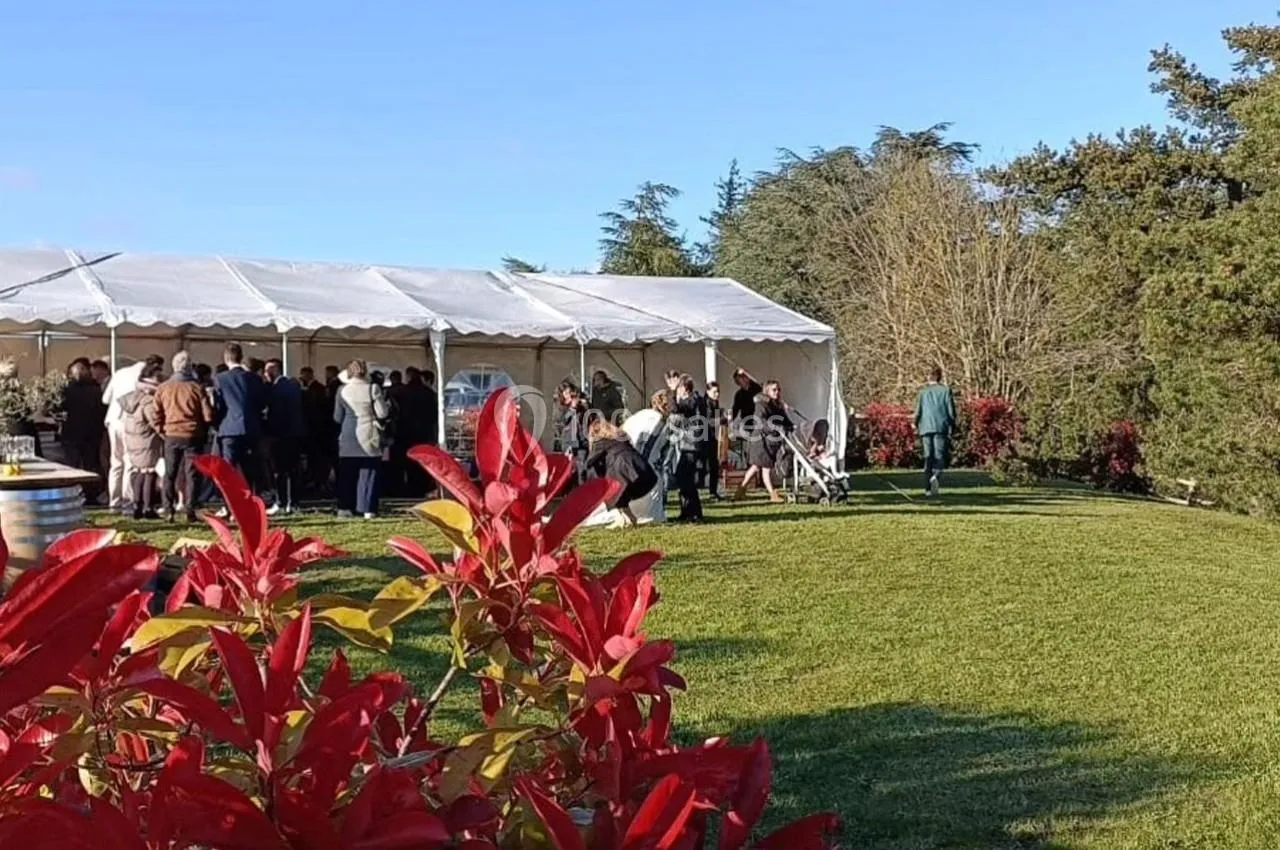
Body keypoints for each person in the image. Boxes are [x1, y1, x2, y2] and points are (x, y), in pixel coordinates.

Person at [153, 351, 215, 523]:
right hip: (193, 435)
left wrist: (161, 430)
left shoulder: (163, 388)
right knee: (192, 474)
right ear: (189, 369)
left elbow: (156, 413)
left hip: (171, 434)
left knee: (170, 473)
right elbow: (208, 415)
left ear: (174, 367)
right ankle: (190, 509)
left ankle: (168, 509)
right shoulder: (196, 387)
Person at [102, 354, 164, 514]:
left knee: (115, 463)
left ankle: (114, 501)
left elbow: (105, 399)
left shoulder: (120, 372)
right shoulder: (146, 379)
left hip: (113, 419)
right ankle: (129, 500)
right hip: (134, 421)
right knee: (132, 463)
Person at [334, 359, 390, 519]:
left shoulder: (341, 390)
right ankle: (367, 509)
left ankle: (345, 507)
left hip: (348, 435)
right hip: (369, 434)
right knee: (369, 473)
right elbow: (382, 413)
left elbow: (337, 417)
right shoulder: (373, 389)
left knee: (347, 473)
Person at [212, 343, 267, 502]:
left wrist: (217, 424)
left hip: (229, 428)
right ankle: (252, 499)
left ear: (226, 358)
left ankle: (230, 503)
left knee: (229, 468)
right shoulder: (254, 378)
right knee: (252, 467)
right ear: (241, 357)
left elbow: (218, 406)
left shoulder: (221, 379)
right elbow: (261, 403)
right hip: (251, 427)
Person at [585, 419, 658, 529]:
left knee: (612, 493)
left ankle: (626, 518)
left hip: (621, 468)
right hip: (640, 468)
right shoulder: (621, 437)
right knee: (620, 495)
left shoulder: (600, 441)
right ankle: (626, 518)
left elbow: (591, 461)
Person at [119, 361, 164, 520]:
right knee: (149, 473)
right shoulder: (147, 401)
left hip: (134, 439)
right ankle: (148, 507)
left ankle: (136, 505)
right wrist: (165, 433)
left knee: (139, 471)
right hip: (147, 440)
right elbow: (155, 421)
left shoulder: (132, 398)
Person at [736, 380, 793, 503]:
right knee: (765, 468)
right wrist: (775, 427)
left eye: (778, 390)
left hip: (770, 441)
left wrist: (791, 427)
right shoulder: (761, 404)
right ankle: (772, 494)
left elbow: (785, 420)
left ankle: (741, 490)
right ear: (767, 391)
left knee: (756, 467)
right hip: (761, 440)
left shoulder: (777, 405)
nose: (777, 392)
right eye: (774, 390)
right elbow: (761, 421)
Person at [60, 360, 107, 503]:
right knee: (90, 466)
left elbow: (58, 409)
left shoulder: (66, 391)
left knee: (72, 466)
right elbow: (102, 411)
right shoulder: (96, 390)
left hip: (72, 434)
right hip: (91, 434)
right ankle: (91, 495)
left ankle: (71, 495)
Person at [264, 358, 306, 514]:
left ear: (275, 370)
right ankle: (293, 502)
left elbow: (276, 413)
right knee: (293, 470)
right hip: (294, 433)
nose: (265, 373)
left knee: (280, 471)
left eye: (268, 370)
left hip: (280, 434)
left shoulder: (277, 388)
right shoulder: (293, 386)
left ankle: (281, 501)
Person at [914, 365, 957, 497]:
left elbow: (918, 411)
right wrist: (952, 425)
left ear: (929, 377)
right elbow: (951, 411)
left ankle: (927, 489)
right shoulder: (946, 390)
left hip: (925, 427)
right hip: (941, 427)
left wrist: (915, 424)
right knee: (939, 455)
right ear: (940, 377)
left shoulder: (922, 392)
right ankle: (935, 477)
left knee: (928, 457)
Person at [670, 376, 704, 522]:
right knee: (682, 477)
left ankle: (694, 513)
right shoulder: (695, 400)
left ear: (683, 388)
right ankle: (686, 511)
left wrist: (672, 393)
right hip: (689, 443)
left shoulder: (693, 400)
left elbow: (676, 410)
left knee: (686, 478)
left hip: (691, 444)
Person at [299, 366, 332, 496]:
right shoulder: (318, 388)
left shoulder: (316, 389)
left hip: (315, 429)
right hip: (315, 429)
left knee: (316, 456)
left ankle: (317, 480)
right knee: (314, 456)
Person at [557, 380, 591, 484]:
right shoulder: (561, 406)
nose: (569, 396)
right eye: (566, 393)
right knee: (570, 470)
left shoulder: (581, 402)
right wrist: (572, 408)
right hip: (569, 442)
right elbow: (562, 421)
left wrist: (583, 404)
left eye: (570, 392)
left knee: (582, 469)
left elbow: (590, 414)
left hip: (582, 441)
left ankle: (582, 488)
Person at [702, 381, 723, 500]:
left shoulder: (715, 403)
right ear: (708, 391)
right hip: (704, 437)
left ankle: (713, 491)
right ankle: (711, 490)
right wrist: (721, 419)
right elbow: (708, 421)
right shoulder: (706, 403)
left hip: (711, 436)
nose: (717, 394)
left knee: (714, 464)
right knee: (709, 465)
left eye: (718, 391)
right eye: (714, 392)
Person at [730, 369, 763, 435]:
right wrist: (729, 420)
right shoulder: (739, 394)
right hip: (747, 424)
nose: (744, 379)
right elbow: (735, 410)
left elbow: (760, 387)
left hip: (759, 421)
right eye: (740, 378)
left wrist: (745, 372)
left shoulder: (757, 388)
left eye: (744, 376)